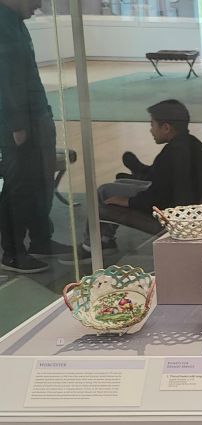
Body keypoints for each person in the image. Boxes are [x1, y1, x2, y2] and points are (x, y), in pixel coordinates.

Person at [65, 100, 202, 263]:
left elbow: (158, 198)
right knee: (120, 183)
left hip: (168, 207)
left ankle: (91, 246)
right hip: (174, 199)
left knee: (104, 191)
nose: (151, 129)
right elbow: (166, 181)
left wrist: (128, 201)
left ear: (166, 128)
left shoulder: (173, 153)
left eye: (152, 124)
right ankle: (105, 238)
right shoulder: (192, 144)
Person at [0, 0, 73, 273]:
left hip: (36, 116)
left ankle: (41, 239)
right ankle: (13, 252)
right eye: (34, 1)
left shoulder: (15, 23)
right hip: (20, 124)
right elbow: (5, 80)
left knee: (40, 181)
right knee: (19, 186)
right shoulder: (2, 24)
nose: (38, 6)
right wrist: (17, 124)